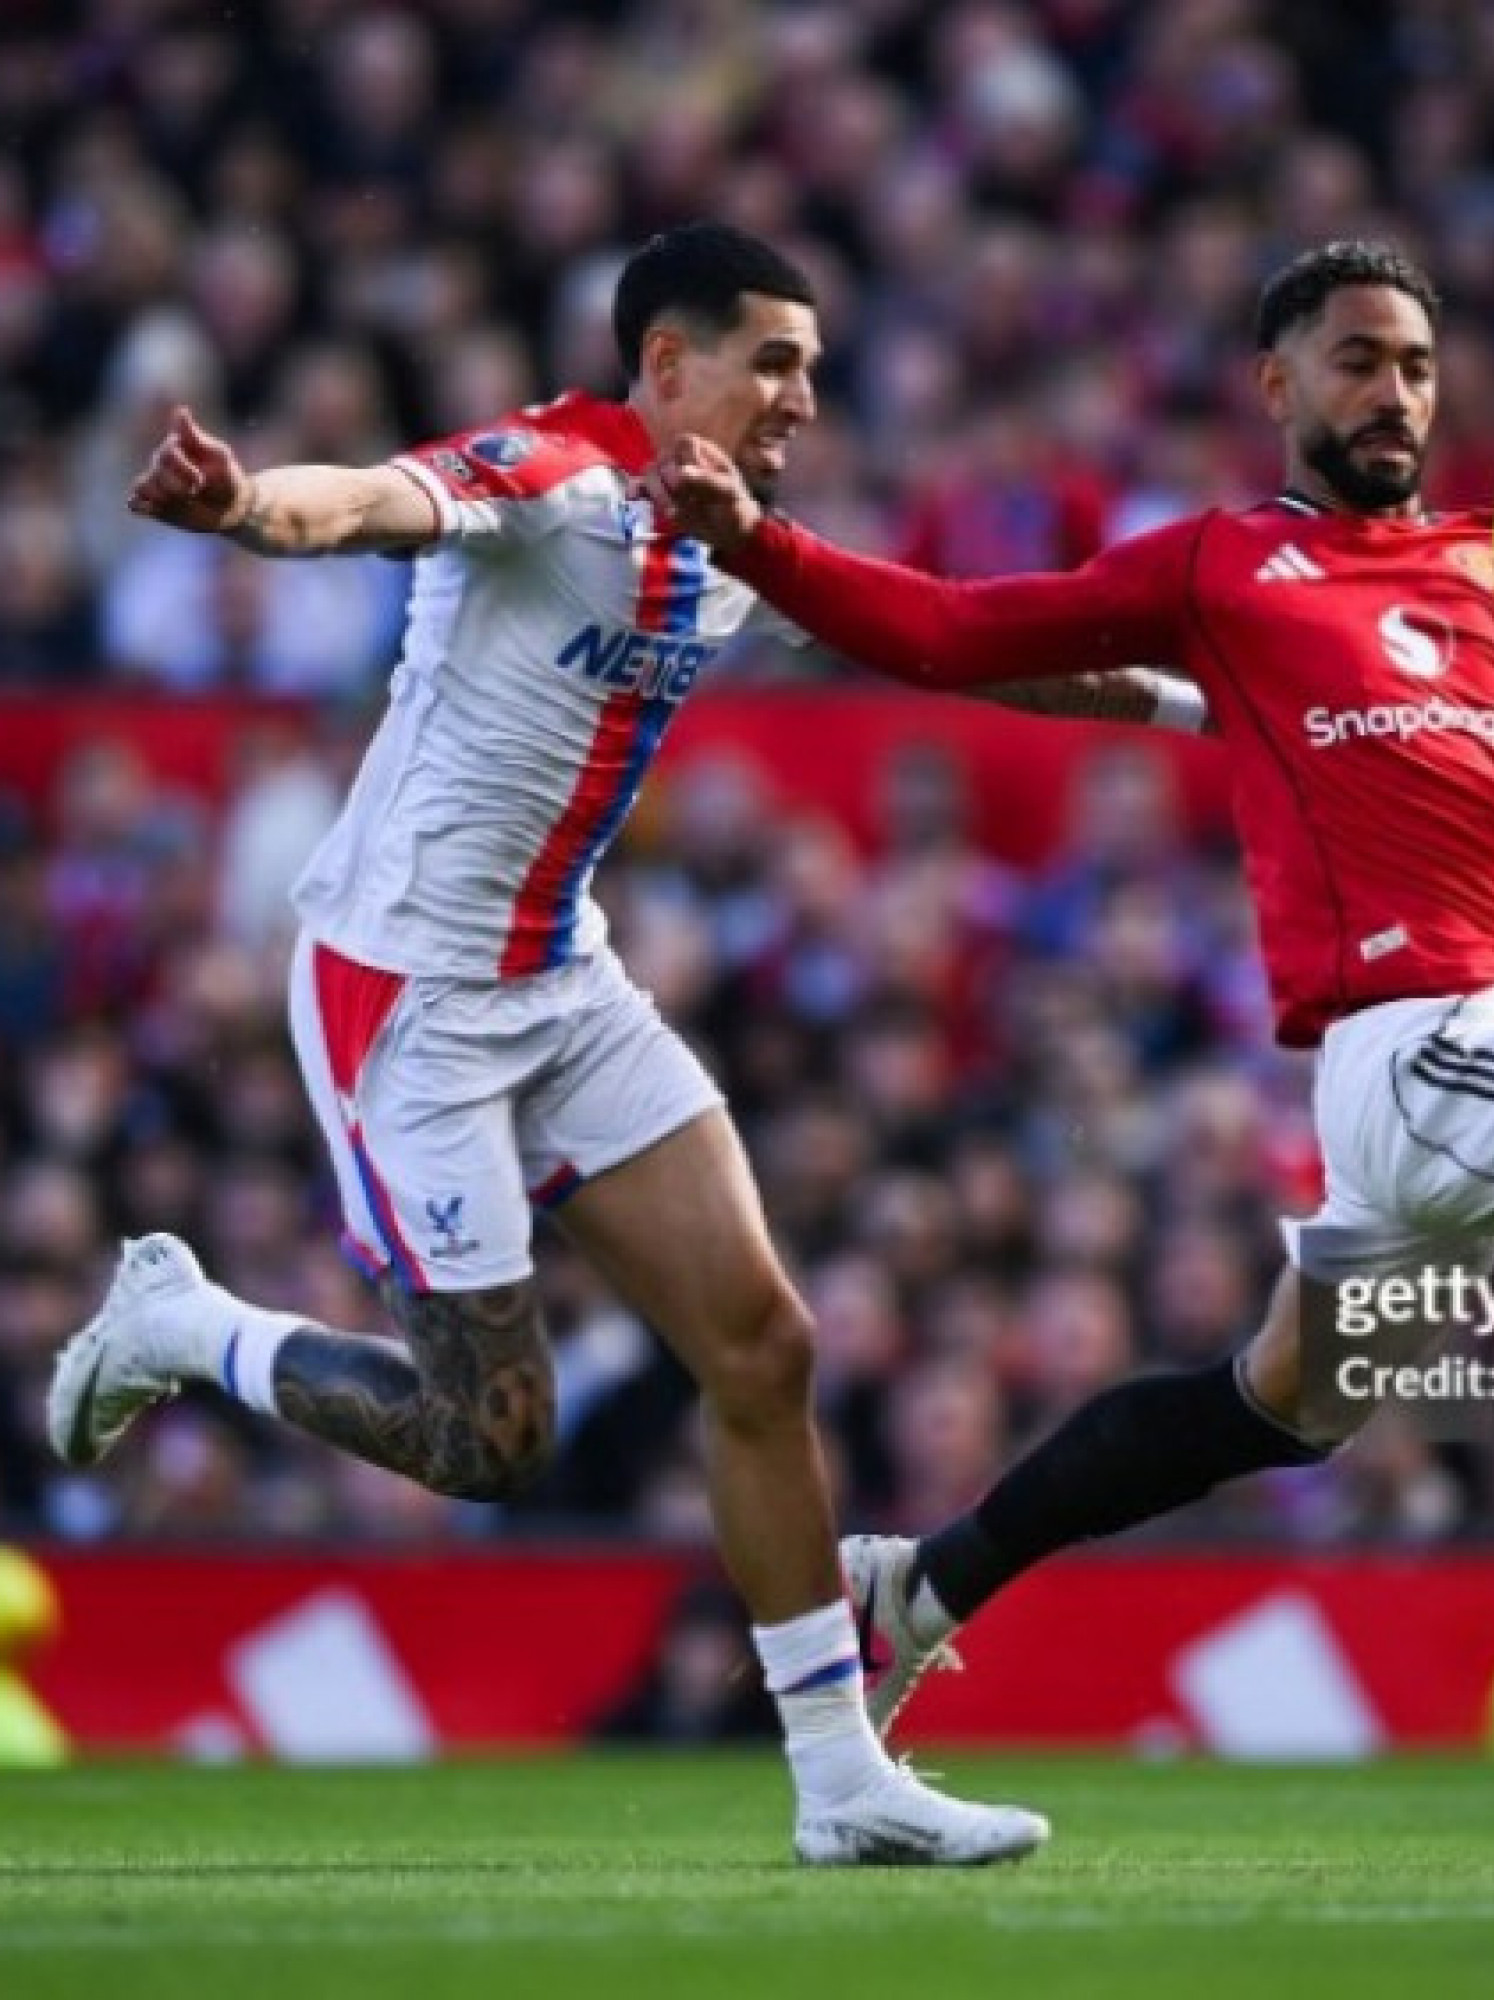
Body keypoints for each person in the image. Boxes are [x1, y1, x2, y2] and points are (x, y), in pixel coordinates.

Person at [663, 237, 1494, 1757]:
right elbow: (955, 632)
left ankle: (921, 1585)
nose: (1395, 394)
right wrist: (760, 541)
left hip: (1485, 1058)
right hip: (1418, 1054)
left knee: (1266, 1409)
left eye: (1418, 367)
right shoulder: (1218, 566)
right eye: (1359, 360)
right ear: (1275, 382)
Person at [46, 222, 1197, 1863]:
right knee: (488, 1445)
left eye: (811, 364)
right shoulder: (547, 473)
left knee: (765, 1347)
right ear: (670, 367)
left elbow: (965, 647)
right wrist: (240, 508)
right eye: (774, 362)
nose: (805, 396)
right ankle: (190, 1325)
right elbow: (367, 500)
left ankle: (839, 1778)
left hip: (565, 984)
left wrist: (1212, 708)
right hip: (410, 998)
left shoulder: (736, 543)